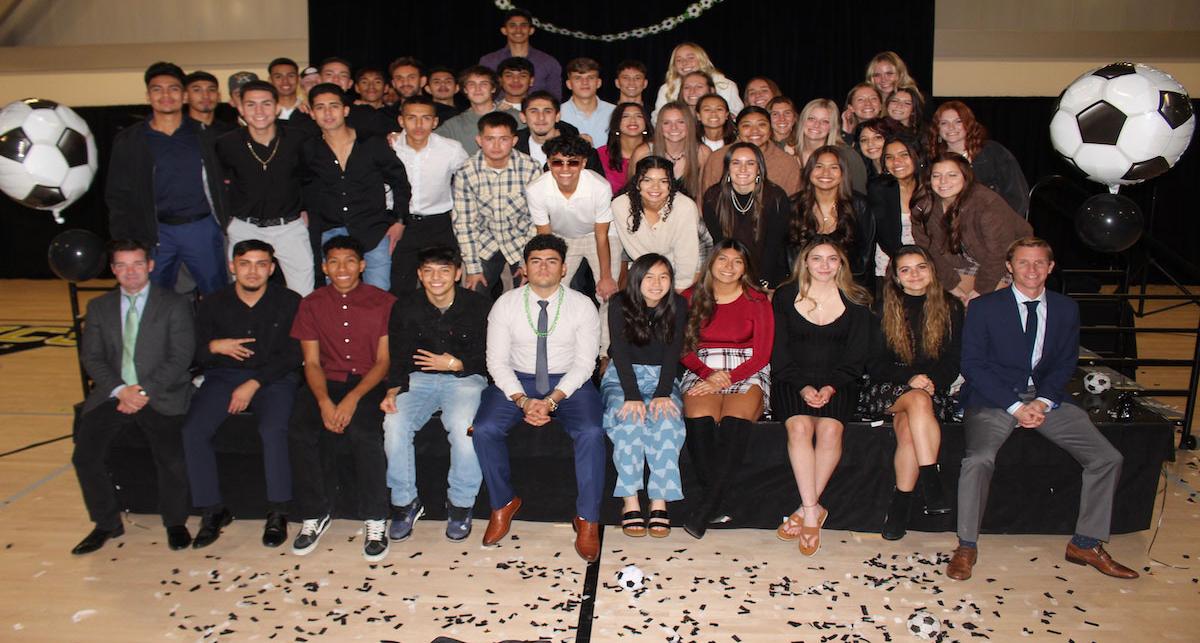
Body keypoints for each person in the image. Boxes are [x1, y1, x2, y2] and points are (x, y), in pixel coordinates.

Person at [948, 237, 1137, 581]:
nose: (1031, 270)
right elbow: (973, 365)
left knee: (1107, 457)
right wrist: (1016, 406)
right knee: (978, 460)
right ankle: (966, 545)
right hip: (995, 399)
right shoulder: (984, 307)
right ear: (1009, 266)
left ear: (1050, 267)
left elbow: (1066, 364)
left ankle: (1085, 543)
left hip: (1045, 399)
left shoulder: (1066, 309)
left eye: (1039, 263)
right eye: (1023, 262)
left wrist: (1043, 401)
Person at [471, 234, 604, 561]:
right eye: (536, 261)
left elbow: (586, 364)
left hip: (568, 381)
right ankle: (502, 503)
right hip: (517, 380)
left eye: (551, 261)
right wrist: (522, 399)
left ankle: (588, 519)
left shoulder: (582, 305)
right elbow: (496, 362)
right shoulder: (506, 304)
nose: (543, 267)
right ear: (525, 269)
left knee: (591, 433)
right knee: (484, 429)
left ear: (563, 269)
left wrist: (553, 399)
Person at [70, 239, 194, 555]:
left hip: (160, 394)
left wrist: (142, 390)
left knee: (171, 458)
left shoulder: (174, 304)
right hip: (114, 394)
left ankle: (176, 522)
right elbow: (92, 357)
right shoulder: (99, 307)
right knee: (84, 456)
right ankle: (106, 523)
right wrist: (120, 390)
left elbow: (180, 357)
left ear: (150, 265)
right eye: (122, 265)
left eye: (137, 263)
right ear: (113, 270)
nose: (131, 272)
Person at [182, 240, 302, 549]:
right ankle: (212, 510)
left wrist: (255, 383)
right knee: (194, 431)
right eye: (245, 263)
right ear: (233, 267)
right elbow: (191, 352)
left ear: (272, 269)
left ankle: (278, 511)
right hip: (223, 377)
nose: (253, 271)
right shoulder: (212, 303)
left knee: (272, 429)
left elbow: (292, 355)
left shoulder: (289, 301)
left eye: (261, 264)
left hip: (274, 378)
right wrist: (213, 347)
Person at [288, 235, 396, 561]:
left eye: (349, 260)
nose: (342, 268)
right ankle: (314, 513)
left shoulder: (384, 302)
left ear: (362, 265)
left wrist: (352, 399)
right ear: (324, 267)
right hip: (325, 381)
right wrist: (323, 402)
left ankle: (376, 518)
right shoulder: (311, 304)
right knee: (300, 431)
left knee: (365, 434)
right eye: (334, 262)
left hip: (368, 383)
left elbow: (383, 362)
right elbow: (311, 362)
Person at [381, 245, 491, 543]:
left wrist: (457, 363)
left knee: (464, 429)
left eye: (444, 270)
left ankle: (460, 504)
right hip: (418, 380)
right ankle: (404, 503)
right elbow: (398, 354)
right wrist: (393, 390)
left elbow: (492, 357)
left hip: (465, 379)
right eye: (428, 271)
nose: (436, 277)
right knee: (394, 424)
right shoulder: (405, 306)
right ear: (419, 274)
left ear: (457, 273)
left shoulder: (478, 306)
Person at [771, 237, 871, 556]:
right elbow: (780, 352)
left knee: (830, 430)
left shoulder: (856, 299)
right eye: (817, 259)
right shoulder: (786, 296)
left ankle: (804, 509)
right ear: (805, 262)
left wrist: (830, 387)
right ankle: (813, 512)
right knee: (800, 428)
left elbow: (857, 359)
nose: (824, 266)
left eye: (832, 259)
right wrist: (802, 386)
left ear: (841, 263)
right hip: (792, 379)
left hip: (839, 382)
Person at [862, 245, 961, 540]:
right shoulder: (881, 307)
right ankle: (931, 478)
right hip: (886, 385)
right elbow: (874, 363)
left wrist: (931, 381)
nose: (914, 274)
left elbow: (954, 360)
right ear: (895, 276)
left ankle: (899, 506)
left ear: (932, 270)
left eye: (921, 267)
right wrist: (911, 378)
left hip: (932, 389)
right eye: (905, 269)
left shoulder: (952, 306)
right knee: (917, 399)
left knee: (907, 430)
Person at [678, 239, 774, 539]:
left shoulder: (757, 300)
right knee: (699, 420)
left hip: (746, 368)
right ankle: (718, 501)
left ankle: (706, 508)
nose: (729, 267)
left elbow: (762, 354)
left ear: (745, 268)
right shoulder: (690, 297)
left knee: (733, 421)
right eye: (723, 259)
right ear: (711, 262)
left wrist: (728, 378)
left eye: (737, 261)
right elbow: (681, 347)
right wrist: (708, 375)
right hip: (702, 366)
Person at [106, 62, 228, 295]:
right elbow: (117, 195)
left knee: (217, 294)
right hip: (155, 233)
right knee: (155, 296)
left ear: (183, 96)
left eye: (173, 89)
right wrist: (124, 241)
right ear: (148, 95)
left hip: (201, 228)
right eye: (157, 89)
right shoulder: (130, 140)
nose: (165, 96)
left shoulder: (206, 135)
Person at [602, 254, 688, 538]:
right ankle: (630, 501)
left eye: (663, 277)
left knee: (667, 421)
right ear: (637, 279)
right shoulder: (619, 304)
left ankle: (659, 500)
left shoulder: (679, 305)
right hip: (623, 377)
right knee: (629, 421)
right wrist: (632, 394)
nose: (656, 283)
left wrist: (663, 392)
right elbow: (621, 353)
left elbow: (673, 352)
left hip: (662, 376)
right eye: (649, 277)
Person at [301, 83, 411, 291]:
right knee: (335, 298)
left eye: (333, 106)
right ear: (313, 114)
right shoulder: (309, 149)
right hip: (330, 232)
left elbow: (400, 181)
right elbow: (300, 184)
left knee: (379, 295)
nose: (328, 113)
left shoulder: (372, 144)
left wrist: (400, 220)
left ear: (345, 110)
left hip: (372, 230)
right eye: (320, 107)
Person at [216, 80, 315, 296]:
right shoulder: (226, 144)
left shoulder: (298, 138)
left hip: (289, 226)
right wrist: (228, 221)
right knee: (244, 291)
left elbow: (309, 178)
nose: (259, 111)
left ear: (277, 107)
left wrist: (306, 209)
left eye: (266, 104)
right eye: (251, 105)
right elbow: (217, 185)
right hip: (245, 226)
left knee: (303, 293)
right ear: (241, 108)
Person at [528, 135, 621, 352]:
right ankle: (554, 348)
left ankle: (607, 353)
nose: (565, 169)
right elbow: (546, 239)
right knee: (549, 290)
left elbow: (601, 235)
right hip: (560, 239)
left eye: (573, 162)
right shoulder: (536, 189)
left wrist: (606, 276)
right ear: (549, 163)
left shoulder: (599, 186)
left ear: (584, 163)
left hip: (599, 236)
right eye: (558, 162)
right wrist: (543, 268)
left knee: (608, 294)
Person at [911, 152, 1032, 305]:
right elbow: (929, 251)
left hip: (1006, 261)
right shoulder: (924, 206)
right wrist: (952, 285)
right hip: (961, 262)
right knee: (948, 307)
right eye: (936, 176)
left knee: (983, 308)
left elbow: (999, 252)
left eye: (952, 175)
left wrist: (980, 290)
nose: (943, 181)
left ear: (965, 176)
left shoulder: (987, 203)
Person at [451, 111, 542, 300]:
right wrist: (473, 268)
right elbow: (464, 224)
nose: (496, 145)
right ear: (479, 140)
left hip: (521, 241)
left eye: (503, 139)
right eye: (490, 139)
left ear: (514, 140)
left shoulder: (530, 167)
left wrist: (529, 259)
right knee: (472, 294)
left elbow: (537, 219)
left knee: (531, 295)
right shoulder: (466, 172)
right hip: (484, 242)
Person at [387, 95, 470, 294]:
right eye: (411, 118)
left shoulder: (451, 149)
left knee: (444, 284)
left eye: (425, 118)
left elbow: (470, 179)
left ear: (435, 122)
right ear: (401, 121)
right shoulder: (390, 147)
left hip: (438, 224)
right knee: (399, 286)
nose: (418, 124)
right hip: (399, 224)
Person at [701, 142, 792, 290]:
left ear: (759, 169)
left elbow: (774, 246)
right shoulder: (713, 197)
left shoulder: (776, 198)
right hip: (728, 271)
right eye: (736, 163)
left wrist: (763, 283)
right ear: (727, 168)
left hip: (769, 274)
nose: (743, 169)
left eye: (750, 163)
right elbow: (720, 245)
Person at [611, 156, 701, 291]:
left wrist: (678, 291)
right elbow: (633, 250)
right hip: (644, 268)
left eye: (663, 181)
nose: (655, 187)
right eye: (647, 180)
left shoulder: (685, 207)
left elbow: (687, 259)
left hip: (686, 266)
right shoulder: (621, 206)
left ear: (671, 184)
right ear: (637, 183)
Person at [789, 145, 876, 285]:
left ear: (843, 173)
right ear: (809, 172)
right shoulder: (793, 205)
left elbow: (866, 255)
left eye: (834, 167)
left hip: (849, 286)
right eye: (819, 166)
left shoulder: (859, 206)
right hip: (802, 284)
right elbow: (787, 254)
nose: (825, 173)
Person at [929, 100, 1030, 216]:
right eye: (944, 123)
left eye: (958, 122)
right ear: (937, 128)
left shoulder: (994, 153)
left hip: (996, 224)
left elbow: (1018, 197)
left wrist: (1001, 227)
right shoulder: (933, 159)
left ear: (968, 124)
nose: (951, 127)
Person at [701, 106, 802, 197]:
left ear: (770, 129)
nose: (754, 131)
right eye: (746, 125)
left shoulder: (787, 163)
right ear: (737, 130)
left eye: (761, 125)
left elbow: (793, 204)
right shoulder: (718, 158)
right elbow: (706, 198)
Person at [868, 134, 924, 290]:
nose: (896, 162)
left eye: (904, 155)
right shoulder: (878, 188)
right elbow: (885, 236)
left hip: (927, 263)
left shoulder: (929, 186)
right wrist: (905, 263)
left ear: (916, 156)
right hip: (890, 263)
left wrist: (924, 263)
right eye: (889, 157)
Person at [632, 100, 710, 200]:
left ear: (689, 124)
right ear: (659, 126)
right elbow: (634, 193)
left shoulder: (703, 153)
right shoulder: (643, 153)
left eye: (681, 122)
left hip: (689, 213)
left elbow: (704, 197)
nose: (674, 127)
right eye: (667, 123)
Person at [479, 8, 562, 100]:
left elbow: (555, 98)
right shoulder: (488, 61)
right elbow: (482, 95)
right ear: (504, 30)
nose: (518, 30)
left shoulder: (548, 62)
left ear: (531, 30)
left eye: (523, 25)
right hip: (498, 113)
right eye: (512, 25)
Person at [514, 91, 603, 172]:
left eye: (547, 111)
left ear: (557, 116)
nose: (541, 117)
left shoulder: (581, 150)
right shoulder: (512, 148)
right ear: (523, 117)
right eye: (533, 111)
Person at [436, 66, 515, 154]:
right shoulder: (454, 124)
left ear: (493, 88)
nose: (478, 89)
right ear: (465, 89)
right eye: (472, 84)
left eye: (484, 84)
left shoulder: (514, 116)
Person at [314, 58, 396, 137]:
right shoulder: (305, 109)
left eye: (343, 75)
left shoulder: (365, 113)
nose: (336, 79)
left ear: (350, 83)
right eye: (329, 74)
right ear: (318, 79)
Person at [654, 43, 742, 116]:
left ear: (702, 60)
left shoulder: (725, 85)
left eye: (690, 58)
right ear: (674, 66)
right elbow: (657, 118)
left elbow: (737, 116)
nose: (684, 63)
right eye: (679, 60)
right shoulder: (666, 89)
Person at [596, 102, 651, 194]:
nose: (633, 120)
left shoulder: (655, 151)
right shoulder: (600, 154)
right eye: (625, 116)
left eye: (639, 116)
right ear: (616, 123)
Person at [560, 57, 615, 145]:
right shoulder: (558, 114)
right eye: (578, 78)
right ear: (569, 84)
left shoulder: (615, 112)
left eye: (590, 77)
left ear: (599, 82)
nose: (584, 82)